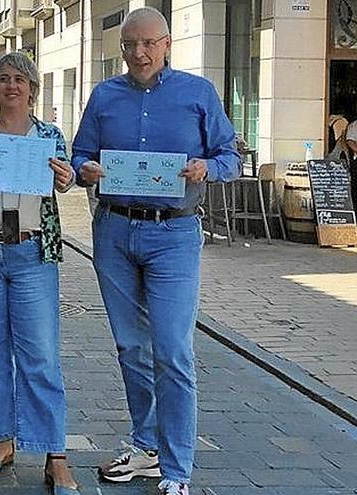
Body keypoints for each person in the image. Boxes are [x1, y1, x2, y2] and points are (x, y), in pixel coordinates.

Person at [70, 8, 240, 495]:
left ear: (167, 44)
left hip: (175, 233)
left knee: (172, 351)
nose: (139, 53)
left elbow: (229, 154)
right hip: (115, 232)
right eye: (130, 45)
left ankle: (177, 468)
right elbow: (81, 153)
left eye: (148, 44)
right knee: (130, 347)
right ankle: (145, 445)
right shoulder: (104, 96)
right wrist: (88, 169)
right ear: (120, 48)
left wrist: (207, 168)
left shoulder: (198, 94)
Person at [0, 52, 79, 495]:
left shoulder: (48, 137)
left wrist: (66, 178)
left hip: (31, 252)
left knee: (41, 355)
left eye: (20, 79)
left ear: (32, 88)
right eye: (3, 79)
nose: (11, 86)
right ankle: (2, 440)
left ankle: (54, 454)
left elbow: (66, 181)